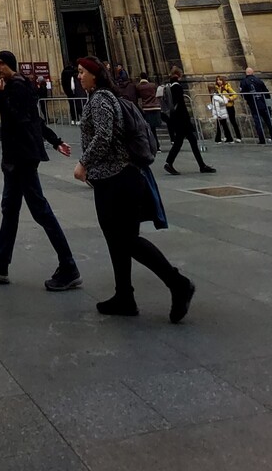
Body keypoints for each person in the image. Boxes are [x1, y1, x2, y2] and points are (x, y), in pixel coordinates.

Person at [74, 57, 195, 320]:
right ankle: (124, 296)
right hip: (116, 177)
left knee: (127, 240)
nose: (78, 76)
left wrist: (83, 163)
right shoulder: (102, 97)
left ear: (96, 75)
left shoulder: (101, 99)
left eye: (82, 72)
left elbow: (104, 136)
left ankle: (178, 284)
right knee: (116, 239)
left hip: (118, 178)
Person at [0, 50, 81, 291]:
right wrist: (55, 140)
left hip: (22, 158)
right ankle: (1, 263)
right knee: (9, 209)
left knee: (41, 212)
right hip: (16, 158)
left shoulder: (17, 86)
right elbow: (36, 119)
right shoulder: (17, 85)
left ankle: (69, 266)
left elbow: (19, 119)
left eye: (1, 63)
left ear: (10, 65)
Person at [163, 67, 215, 175]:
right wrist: (186, 119)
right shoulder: (177, 87)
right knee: (190, 141)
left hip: (178, 120)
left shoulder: (170, 86)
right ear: (178, 75)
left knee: (184, 141)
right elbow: (180, 105)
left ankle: (171, 163)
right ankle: (201, 166)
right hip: (182, 120)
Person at [239, 68, 272, 144]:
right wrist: (268, 103)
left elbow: (243, 93)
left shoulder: (243, 82)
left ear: (246, 73)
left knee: (258, 122)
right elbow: (266, 92)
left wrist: (248, 100)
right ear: (252, 72)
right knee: (268, 121)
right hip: (263, 103)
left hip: (253, 104)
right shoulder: (259, 80)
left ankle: (262, 139)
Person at [136, 73, 162, 150]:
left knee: (149, 129)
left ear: (140, 77)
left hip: (146, 109)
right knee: (153, 128)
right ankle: (157, 146)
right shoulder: (153, 85)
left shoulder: (139, 87)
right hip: (155, 107)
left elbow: (138, 96)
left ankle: (153, 146)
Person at [215, 76, 243, 141]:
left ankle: (238, 137)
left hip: (229, 106)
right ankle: (227, 136)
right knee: (223, 122)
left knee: (233, 121)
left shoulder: (227, 86)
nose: (219, 81)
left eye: (220, 80)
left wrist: (230, 99)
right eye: (217, 80)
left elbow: (235, 94)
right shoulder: (217, 88)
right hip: (222, 107)